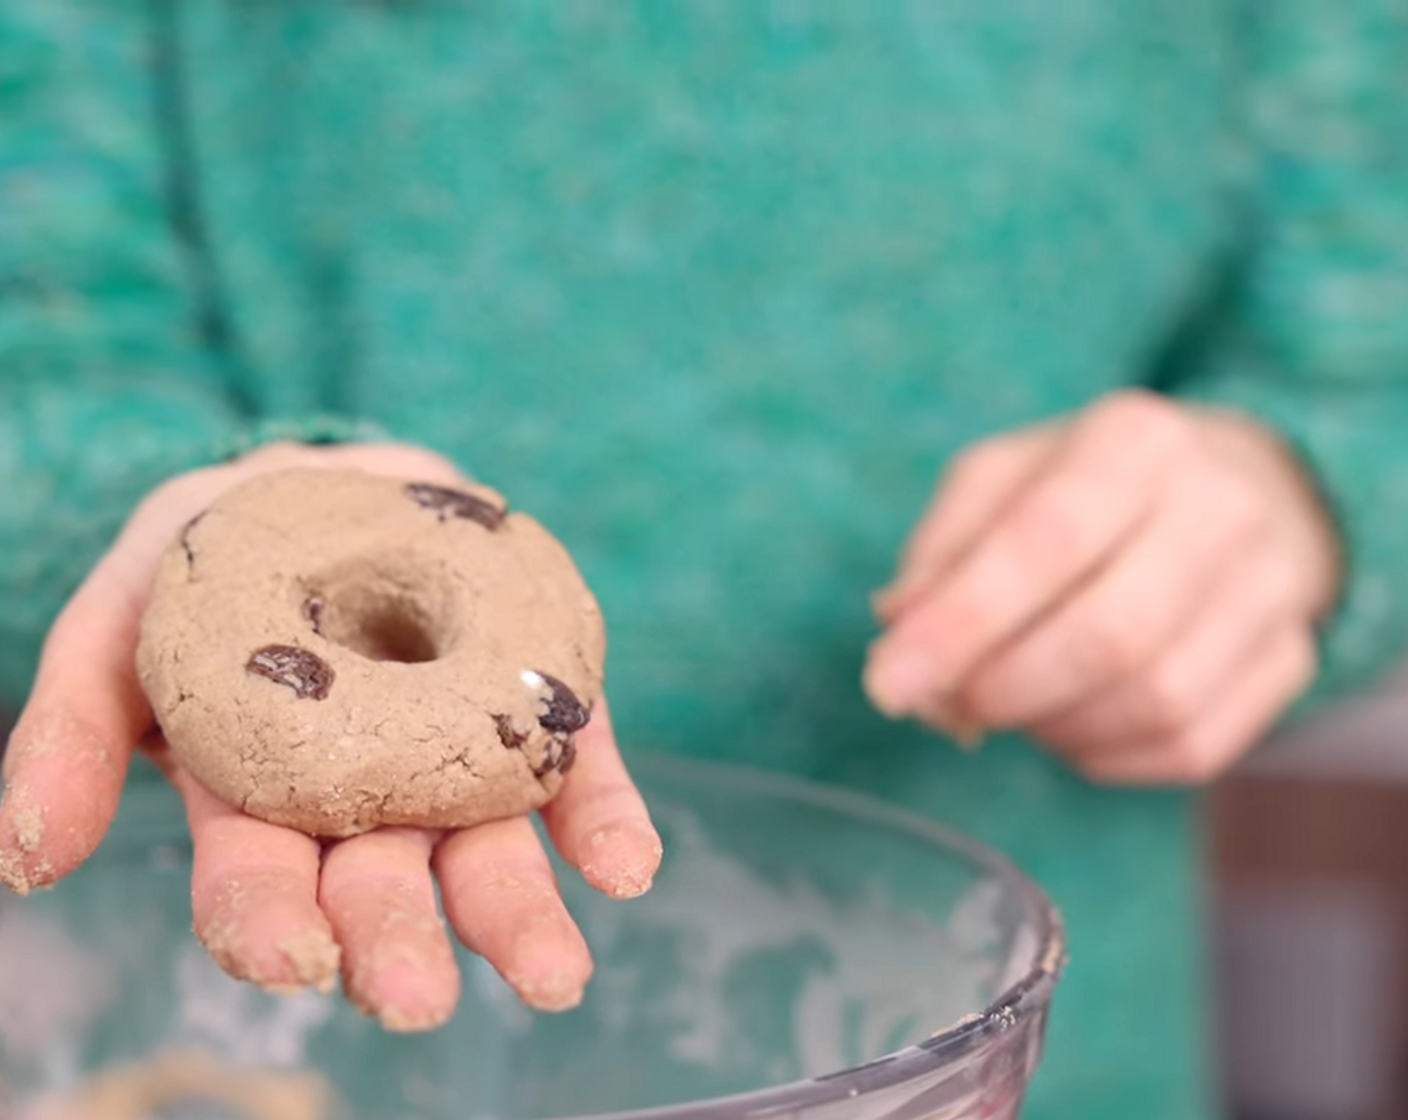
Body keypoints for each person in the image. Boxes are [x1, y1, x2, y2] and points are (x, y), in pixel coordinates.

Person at [0, 4, 1404, 1117]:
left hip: (976, 1047)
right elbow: (44, 333)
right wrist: (121, 519)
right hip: (198, 1037)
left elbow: (1375, 343)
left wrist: (1303, 498)